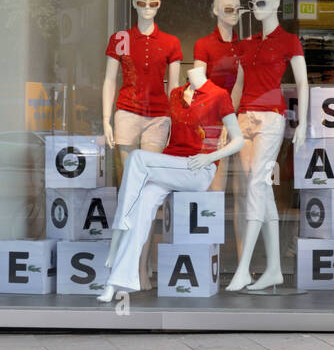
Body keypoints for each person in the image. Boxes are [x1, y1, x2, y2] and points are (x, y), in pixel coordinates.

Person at [98, 66, 244, 301]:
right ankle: (116, 282)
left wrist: (210, 157)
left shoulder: (219, 95)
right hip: (170, 167)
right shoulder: (175, 94)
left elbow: (238, 141)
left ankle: (118, 229)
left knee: (137, 159)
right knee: (143, 204)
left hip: (198, 168)